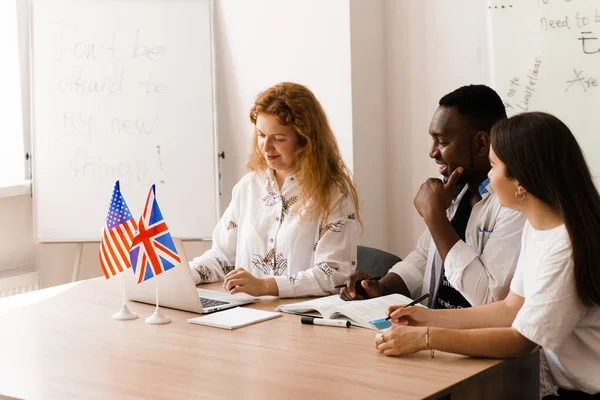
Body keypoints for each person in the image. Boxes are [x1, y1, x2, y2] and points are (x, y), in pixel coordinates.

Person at [378, 112, 600, 398]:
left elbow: (521, 340)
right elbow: (510, 309)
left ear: (521, 183)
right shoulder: (538, 226)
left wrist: (425, 338)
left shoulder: (565, 246)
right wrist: (427, 318)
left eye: (493, 167)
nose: (489, 176)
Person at [341, 85, 526, 309]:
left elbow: (490, 300)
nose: (433, 152)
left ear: (480, 144)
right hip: (435, 329)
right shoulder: (455, 194)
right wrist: (381, 288)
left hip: (472, 339)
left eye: (443, 142)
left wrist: (435, 217)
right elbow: (423, 258)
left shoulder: (514, 205)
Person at [189, 82, 360, 298]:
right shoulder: (249, 187)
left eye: (278, 139)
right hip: (246, 313)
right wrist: (183, 275)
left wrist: (266, 286)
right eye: (261, 135)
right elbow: (222, 258)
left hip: (299, 320)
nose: (266, 147)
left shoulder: (333, 193)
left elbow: (334, 274)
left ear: (305, 141)